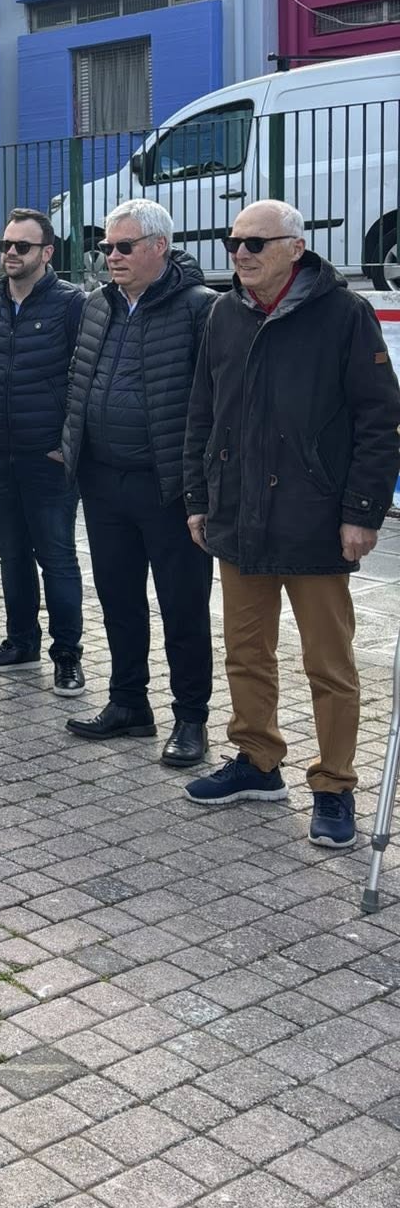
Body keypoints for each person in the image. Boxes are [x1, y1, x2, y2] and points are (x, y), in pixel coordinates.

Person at [183, 200, 400, 847]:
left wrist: (361, 512)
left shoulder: (344, 315)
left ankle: (334, 785)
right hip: (238, 517)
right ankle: (257, 760)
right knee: (246, 651)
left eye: (255, 243)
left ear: (295, 248)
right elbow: (202, 413)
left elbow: (380, 420)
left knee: (329, 665)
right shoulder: (223, 314)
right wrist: (199, 497)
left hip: (316, 521)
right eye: (234, 242)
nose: (240, 254)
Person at [60, 200, 216, 766]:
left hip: (168, 487)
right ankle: (128, 703)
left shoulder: (200, 307)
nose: (111, 256)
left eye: (123, 247)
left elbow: (212, 402)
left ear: (158, 247)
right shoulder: (97, 305)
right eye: (106, 247)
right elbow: (80, 380)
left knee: (183, 608)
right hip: (104, 482)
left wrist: (200, 488)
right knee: (119, 600)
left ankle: (191, 718)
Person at [0, 208, 87, 697]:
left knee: (56, 558)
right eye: (6, 245)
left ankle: (68, 656)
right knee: (11, 555)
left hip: (48, 459)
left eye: (22, 246)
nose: (11, 253)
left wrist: (66, 444)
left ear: (47, 252)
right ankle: (21, 643)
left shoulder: (72, 304)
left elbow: (83, 380)